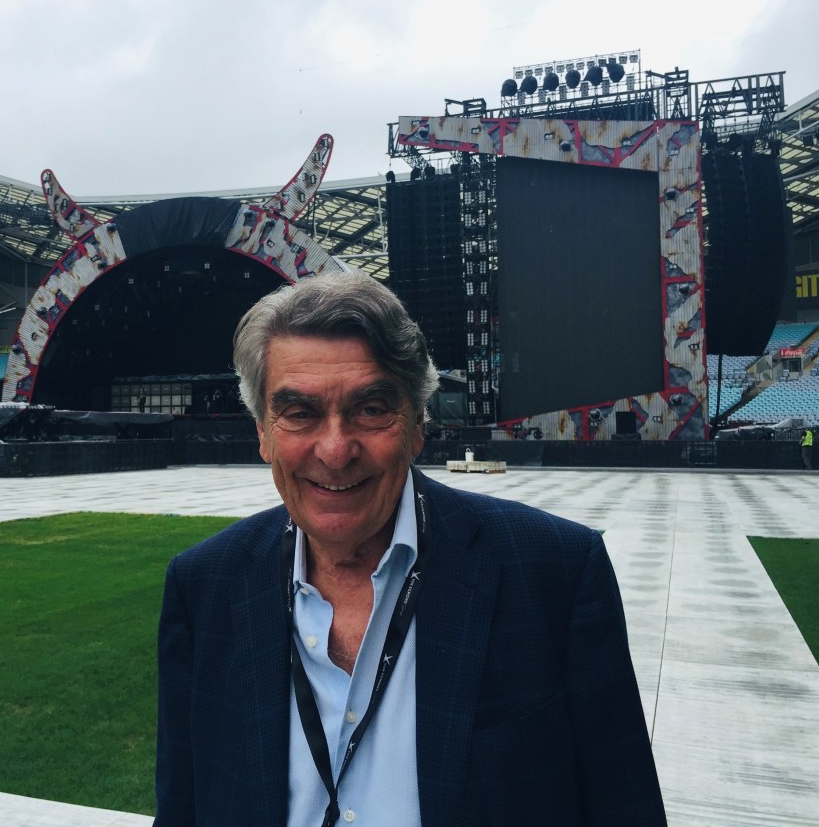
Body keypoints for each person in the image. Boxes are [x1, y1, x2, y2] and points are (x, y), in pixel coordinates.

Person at [155, 270, 665, 826]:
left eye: (370, 409)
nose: (335, 448)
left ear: (418, 424)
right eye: (299, 413)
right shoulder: (204, 587)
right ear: (262, 433)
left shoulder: (555, 574)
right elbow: (183, 810)